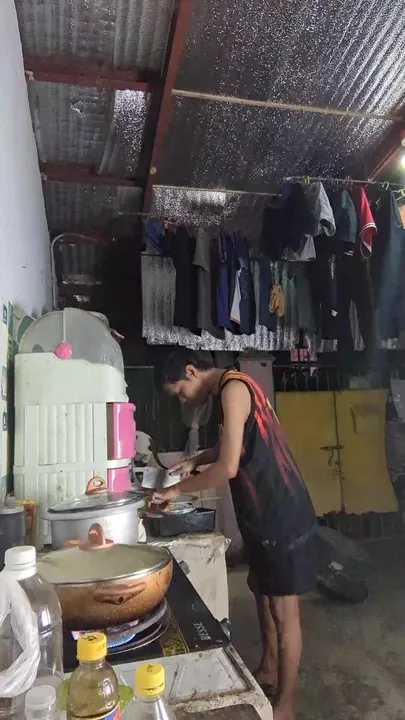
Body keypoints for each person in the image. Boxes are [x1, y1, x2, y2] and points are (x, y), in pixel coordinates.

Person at [152, 350, 318, 720]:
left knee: (283, 610)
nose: (183, 400)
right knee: (261, 590)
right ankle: (270, 669)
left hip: (279, 509)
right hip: (260, 513)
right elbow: (233, 447)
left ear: (192, 371)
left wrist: (177, 490)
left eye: (180, 392)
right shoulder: (229, 389)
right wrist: (197, 460)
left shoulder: (234, 389)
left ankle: (286, 704)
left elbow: (228, 467)